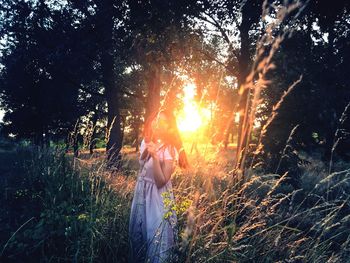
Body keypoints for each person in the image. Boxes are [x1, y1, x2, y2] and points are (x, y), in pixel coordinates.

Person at [128, 108, 189, 263]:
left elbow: (161, 181)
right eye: (156, 119)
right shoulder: (146, 142)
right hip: (142, 193)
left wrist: (155, 157)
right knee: (139, 234)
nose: (157, 123)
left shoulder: (169, 149)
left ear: (169, 126)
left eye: (162, 121)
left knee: (155, 234)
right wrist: (148, 150)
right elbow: (142, 165)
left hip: (157, 197)